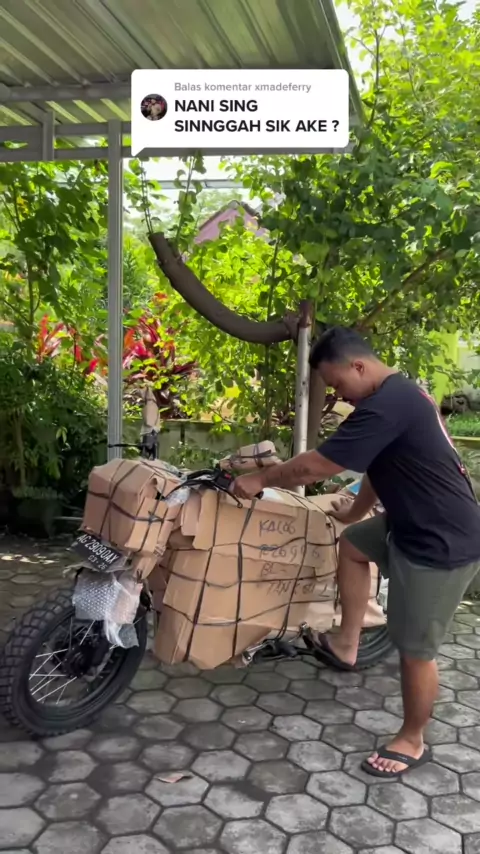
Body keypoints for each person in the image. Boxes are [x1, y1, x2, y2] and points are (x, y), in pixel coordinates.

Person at [230, 326, 480, 779]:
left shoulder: (390, 404)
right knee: (353, 544)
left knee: (416, 650)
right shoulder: (396, 396)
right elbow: (379, 465)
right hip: (410, 521)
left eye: (339, 384)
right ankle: (347, 644)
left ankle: (413, 739)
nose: (339, 395)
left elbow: (318, 466)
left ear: (359, 366)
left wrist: (260, 479)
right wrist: (356, 513)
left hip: (441, 541)